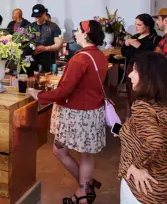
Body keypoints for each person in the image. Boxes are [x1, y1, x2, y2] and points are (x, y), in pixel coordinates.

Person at [28, 20, 107, 204]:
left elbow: (64, 90)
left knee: (59, 150)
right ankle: (85, 189)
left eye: (78, 31)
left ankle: (83, 188)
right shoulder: (99, 56)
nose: (76, 33)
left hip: (76, 113)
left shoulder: (80, 58)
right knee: (87, 155)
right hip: (93, 112)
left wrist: (40, 96)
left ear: (86, 34)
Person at [117, 52, 167, 204]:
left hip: (141, 190)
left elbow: (154, 141)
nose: (129, 76)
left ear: (149, 77)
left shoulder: (143, 106)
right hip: (165, 187)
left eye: (135, 71)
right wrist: (125, 131)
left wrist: (137, 165)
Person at [30, 4, 62, 72]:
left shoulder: (53, 27)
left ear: (44, 13)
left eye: (39, 16)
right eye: (35, 17)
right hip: (33, 62)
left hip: (48, 62)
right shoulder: (30, 27)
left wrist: (46, 48)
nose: (37, 18)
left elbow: (58, 45)